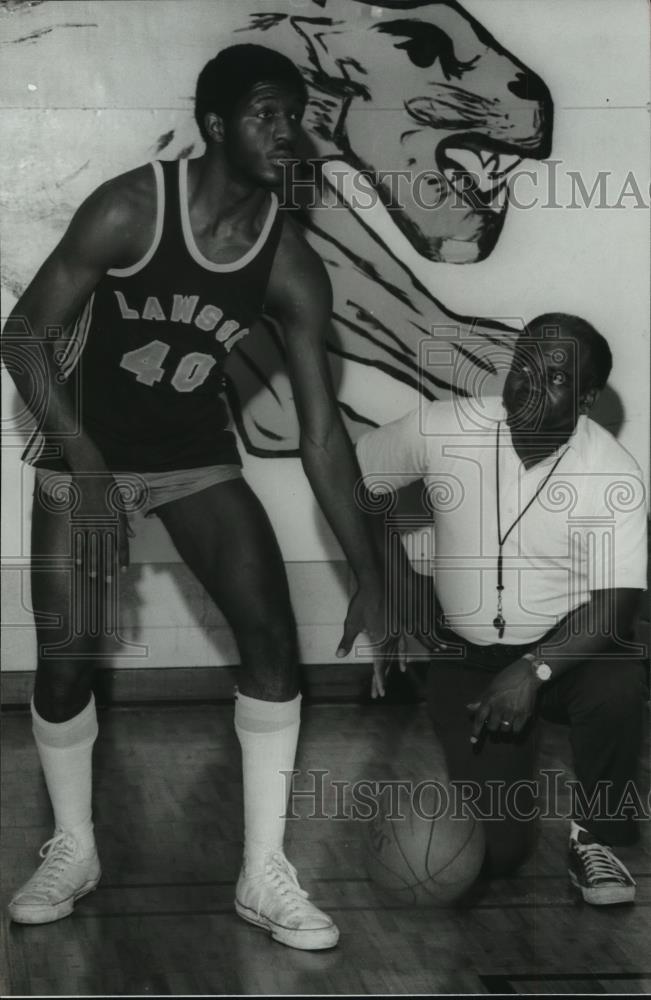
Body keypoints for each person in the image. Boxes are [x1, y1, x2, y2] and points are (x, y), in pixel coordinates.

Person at [2, 44, 388, 949]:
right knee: (66, 657)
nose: (290, 132)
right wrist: (86, 463)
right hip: (80, 452)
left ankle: (262, 872)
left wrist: (372, 573)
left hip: (192, 455)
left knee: (271, 639)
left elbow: (324, 432)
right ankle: (74, 847)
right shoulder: (133, 208)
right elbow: (23, 340)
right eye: (267, 113)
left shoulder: (289, 264)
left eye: (296, 114)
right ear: (216, 125)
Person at [356, 314, 648, 905]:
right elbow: (352, 478)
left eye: (556, 377)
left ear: (587, 399)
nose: (530, 384)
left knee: (619, 677)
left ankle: (597, 839)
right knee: (497, 854)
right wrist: (388, 581)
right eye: (523, 366)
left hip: (566, 655)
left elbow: (616, 607)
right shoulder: (445, 429)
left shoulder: (612, 471)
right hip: (468, 661)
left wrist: (535, 670)